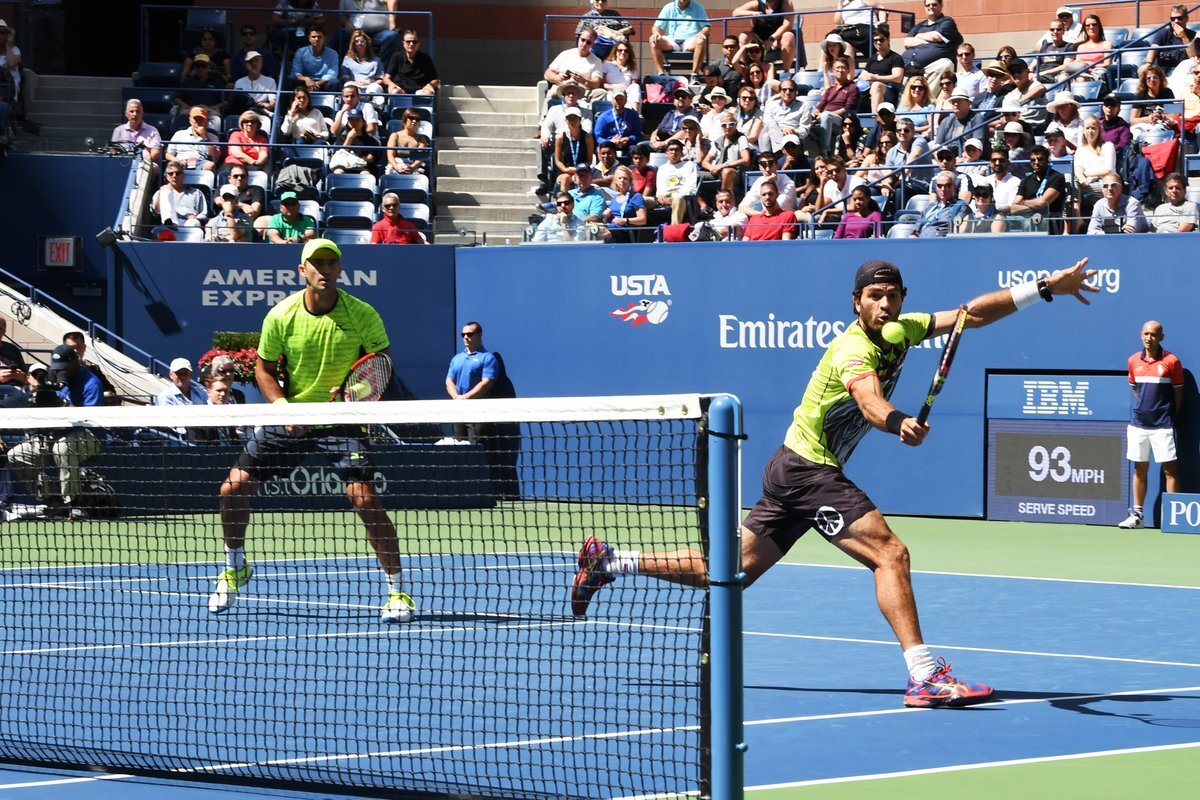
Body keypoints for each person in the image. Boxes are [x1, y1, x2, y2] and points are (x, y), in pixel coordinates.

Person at [571, 257, 1100, 708]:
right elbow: (869, 401)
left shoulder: (905, 330)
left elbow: (969, 315)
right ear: (856, 303)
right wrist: (897, 422)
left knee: (729, 570)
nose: (885, 306)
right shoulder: (854, 351)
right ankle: (925, 676)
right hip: (809, 471)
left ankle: (610, 561)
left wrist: (1046, 287)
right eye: (874, 297)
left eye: (892, 296)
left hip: (791, 464)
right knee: (890, 554)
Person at [208, 238, 415, 623]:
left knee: (366, 501)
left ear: (340, 269)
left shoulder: (363, 314)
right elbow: (263, 369)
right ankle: (235, 566)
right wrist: (283, 408)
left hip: (342, 420)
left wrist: (357, 392)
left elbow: (381, 364)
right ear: (302, 271)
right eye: (315, 263)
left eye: (330, 263)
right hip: (292, 416)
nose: (323, 269)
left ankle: (397, 591)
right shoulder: (281, 315)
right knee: (232, 488)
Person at [8, 344, 103, 520]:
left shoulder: (92, 383)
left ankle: (75, 505)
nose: (61, 371)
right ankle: (52, 499)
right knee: (16, 455)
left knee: (62, 448)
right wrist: (36, 396)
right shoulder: (52, 375)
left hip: (87, 436)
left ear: (75, 362)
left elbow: (90, 420)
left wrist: (62, 404)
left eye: (65, 367)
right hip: (52, 434)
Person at [1119, 321, 1184, 529]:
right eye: (1146, 334)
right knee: (1139, 469)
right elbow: (1136, 391)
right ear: (1141, 335)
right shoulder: (1132, 361)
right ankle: (1137, 516)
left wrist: (1168, 414)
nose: (1149, 338)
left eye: (1154, 335)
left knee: (1170, 471)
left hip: (1163, 425)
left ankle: (1174, 517)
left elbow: (1178, 394)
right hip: (1138, 425)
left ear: (1161, 338)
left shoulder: (1172, 362)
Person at [445, 321, 520, 499]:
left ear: (479, 335)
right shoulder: (457, 359)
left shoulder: (488, 358)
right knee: (460, 451)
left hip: (479, 415)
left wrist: (466, 398)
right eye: (463, 335)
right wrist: (456, 397)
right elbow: (449, 381)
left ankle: (483, 492)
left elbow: (487, 382)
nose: (465, 337)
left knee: (478, 453)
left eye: (469, 334)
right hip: (459, 413)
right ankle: (464, 492)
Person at [902, 0, 962, 86]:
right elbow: (907, 42)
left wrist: (918, 36)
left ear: (941, 6)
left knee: (945, 64)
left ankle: (928, 98)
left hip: (932, 68)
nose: (931, 7)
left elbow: (936, 36)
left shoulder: (947, 22)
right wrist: (929, 41)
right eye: (928, 5)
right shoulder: (919, 26)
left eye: (934, 5)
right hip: (909, 66)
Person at [1009, 145, 1066, 234]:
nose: (1036, 162)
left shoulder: (1057, 177)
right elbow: (1014, 208)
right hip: (1027, 217)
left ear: (1047, 160)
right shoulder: (1026, 180)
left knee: (1032, 222)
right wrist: (1036, 204)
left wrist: (1023, 202)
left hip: (1049, 220)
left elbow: (1043, 203)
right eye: (1033, 160)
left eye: (1040, 159)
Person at [649, 0, 710, 78]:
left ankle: (694, 75)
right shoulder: (668, 7)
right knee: (654, 40)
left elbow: (706, 26)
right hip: (671, 40)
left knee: (701, 40)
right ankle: (661, 74)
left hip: (691, 40)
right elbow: (656, 26)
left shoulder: (698, 7)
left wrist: (701, 33)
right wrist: (656, 33)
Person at [732, 0, 797, 69]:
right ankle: (746, 70)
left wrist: (771, 39)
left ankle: (786, 72)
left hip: (778, 39)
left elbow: (788, 25)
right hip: (759, 38)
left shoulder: (785, 3)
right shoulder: (757, 3)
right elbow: (735, 12)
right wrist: (753, 13)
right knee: (743, 36)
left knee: (789, 36)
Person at [545, 27, 605, 96]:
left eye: (588, 42)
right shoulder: (565, 54)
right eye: (583, 40)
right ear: (579, 39)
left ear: (592, 45)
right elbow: (547, 73)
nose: (584, 44)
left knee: (601, 93)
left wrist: (583, 81)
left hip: (583, 91)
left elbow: (596, 83)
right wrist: (559, 78)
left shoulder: (596, 61)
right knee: (551, 95)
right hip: (563, 88)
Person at [1142, 5, 1195, 78]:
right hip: (1163, 74)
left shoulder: (1193, 35)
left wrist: (1183, 36)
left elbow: (1193, 58)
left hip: (1183, 74)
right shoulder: (1163, 34)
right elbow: (1153, 49)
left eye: (1179, 18)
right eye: (1173, 19)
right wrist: (1148, 63)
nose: (1176, 21)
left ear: (1186, 18)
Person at [862, 24, 905, 111]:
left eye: (881, 40)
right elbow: (864, 73)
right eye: (875, 40)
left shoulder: (895, 58)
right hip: (870, 89)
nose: (878, 43)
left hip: (889, 90)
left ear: (888, 40)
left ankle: (875, 118)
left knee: (876, 85)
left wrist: (876, 78)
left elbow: (897, 78)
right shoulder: (872, 58)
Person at [152, 163, 209, 228]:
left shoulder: (196, 192)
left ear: (183, 175)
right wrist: (160, 193)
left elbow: (203, 214)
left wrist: (196, 218)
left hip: (190, 223)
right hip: (168, 224)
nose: (174, 176)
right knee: (165, 191)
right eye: (171, 174)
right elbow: (155, 211)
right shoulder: (161, 192)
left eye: (178, 173)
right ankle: (170, 223)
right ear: (167, 177)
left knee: (192, 223)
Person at [911, 170, 968, 236]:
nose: (943, 189)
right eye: (939, 186)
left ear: (954, 187)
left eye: (948, 185)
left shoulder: (960, 207)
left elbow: (960, 234)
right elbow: (914, 231)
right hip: (920, 242)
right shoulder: (931, 207)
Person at [383, 29, 440, 95]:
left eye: (414, 42)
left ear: (418, 44)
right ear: (403, 43)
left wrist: (429, 85)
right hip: (401, 90)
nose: (411, 44)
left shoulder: (425, 58)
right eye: (408, 42)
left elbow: (436, 80)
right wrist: (391, 84)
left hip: (420, 91)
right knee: (395, 92)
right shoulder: (397, 57)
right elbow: (386, 78)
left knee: (428, 92)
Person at [165, 107, 219, 172]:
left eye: (201, 119)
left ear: (206, 121)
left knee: (210, 165)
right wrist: (177, 160)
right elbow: (168, 154)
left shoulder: (213, 137)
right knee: (172, 168)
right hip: (181, 161)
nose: (198, 122)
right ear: (190, 120)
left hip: (201, 162)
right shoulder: (179, 134)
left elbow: (214, 158)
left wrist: (205, 138)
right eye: (195, 119)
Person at [111, 99, 163, 163]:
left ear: (142, 114)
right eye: (131, 111)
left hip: (147, 163)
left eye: (137, 111)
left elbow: (156, 152)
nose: (135, 114)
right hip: (123, 163)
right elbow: (113, 150)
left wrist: (142, 163)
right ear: (126, 114)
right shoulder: (118, 130)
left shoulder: (152, 130)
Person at [290, 24, 339, 91]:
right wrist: (306, 79)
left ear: (324, 38)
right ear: (309, 38)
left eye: (319, 37)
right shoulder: (301, 52)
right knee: (291, 80)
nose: (316, 39)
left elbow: (332, 74)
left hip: (323, 82)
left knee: (334, 82)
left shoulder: (333, 54)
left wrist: (317, 83)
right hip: (305, 82)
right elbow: (296, 72)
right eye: (313, 37)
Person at [340, 28, 386, 95]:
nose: (359, 44)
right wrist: (355, 83)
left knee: (375, 87)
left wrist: (371, 83)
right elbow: (345, 78)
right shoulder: (347, 59)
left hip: (371, 85)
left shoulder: (376, 60)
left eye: (362, 41)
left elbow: (380, 79)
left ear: (367, 43)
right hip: (354, 85)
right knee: (348, 84)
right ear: (353, 44)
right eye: (356, 41)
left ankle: (371, 103)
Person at [233, 51, 279, 116]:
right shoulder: (239, 82)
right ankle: (257, 108)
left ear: (261, 63)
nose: (254, 63)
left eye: (256, 60)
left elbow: (272, 102)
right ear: (246, 65)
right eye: (250, 61)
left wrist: (267, 105)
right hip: (243, 114)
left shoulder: (270, 81)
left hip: (261, 115)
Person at [1036, 16, 1077, 81]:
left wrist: (1043, 73)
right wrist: (1028, 72)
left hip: (1055, 76)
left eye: (1058, 29)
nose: (1055, 32)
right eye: (1052, 29)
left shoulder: (1069, 46)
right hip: (1039, 76)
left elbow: (1065, 66)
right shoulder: (1045, 46)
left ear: (1063, 31)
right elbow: (1034, 63)